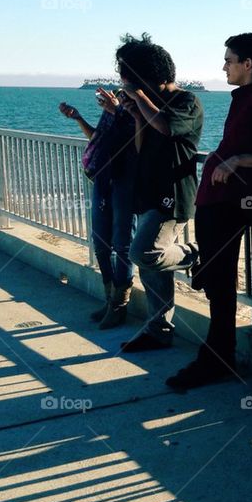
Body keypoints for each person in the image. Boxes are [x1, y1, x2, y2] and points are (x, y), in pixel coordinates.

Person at [166, 33, 252, 390]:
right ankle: (216, 355)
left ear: (248, 65)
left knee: (221, 282)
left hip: (231, 205)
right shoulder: (241, 99)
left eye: (229, 60)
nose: (224, 66)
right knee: (216, 281)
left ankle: (217, 359)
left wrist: (237, 160)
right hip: (216, 203)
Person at [115, 33, 203, 352]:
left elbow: (166, 127)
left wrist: (138, 97)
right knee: (151, 271)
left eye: (136, 82)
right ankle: (158, 330)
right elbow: (140, 145)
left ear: (156, 78)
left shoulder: (186, 101)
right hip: (148, 191)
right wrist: (137, 114)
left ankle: (197, 253)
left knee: (144, 254)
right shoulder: (148, 104)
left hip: (173, 195)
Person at [59, 88, 137, 328]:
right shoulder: (112, 114)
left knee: (122, 245)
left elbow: (137, 140)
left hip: (125, 182)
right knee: (101, 244)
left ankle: (119, 307)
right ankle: (110, 300)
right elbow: (97, 138)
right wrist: (79, 118)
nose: (119, 96)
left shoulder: (136, 112)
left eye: (124, 94)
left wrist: (120, 110)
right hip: (103, 181)